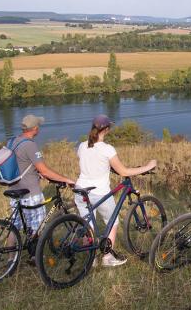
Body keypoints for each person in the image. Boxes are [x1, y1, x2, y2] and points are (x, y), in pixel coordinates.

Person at [74, 114, 157, 267]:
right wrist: (148, 166)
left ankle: (91, 259)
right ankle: (107, 258)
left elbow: (89, 162)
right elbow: (123, 172)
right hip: (98, 191)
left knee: (88, 225)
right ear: (106, 129)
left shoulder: (82, 146)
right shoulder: (107, 149)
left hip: (80, 190)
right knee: (112, 222)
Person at [7, 115, 75, 258]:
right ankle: (35, 257)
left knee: (15, 227)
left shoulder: (13, 141)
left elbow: (22, 164)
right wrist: (66, 179)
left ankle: (10, 261)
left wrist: (37, 173)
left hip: (14, 190)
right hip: (30, 193)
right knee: (37, 225)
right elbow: (44, 169)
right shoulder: (30, 145)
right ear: (36, 129)